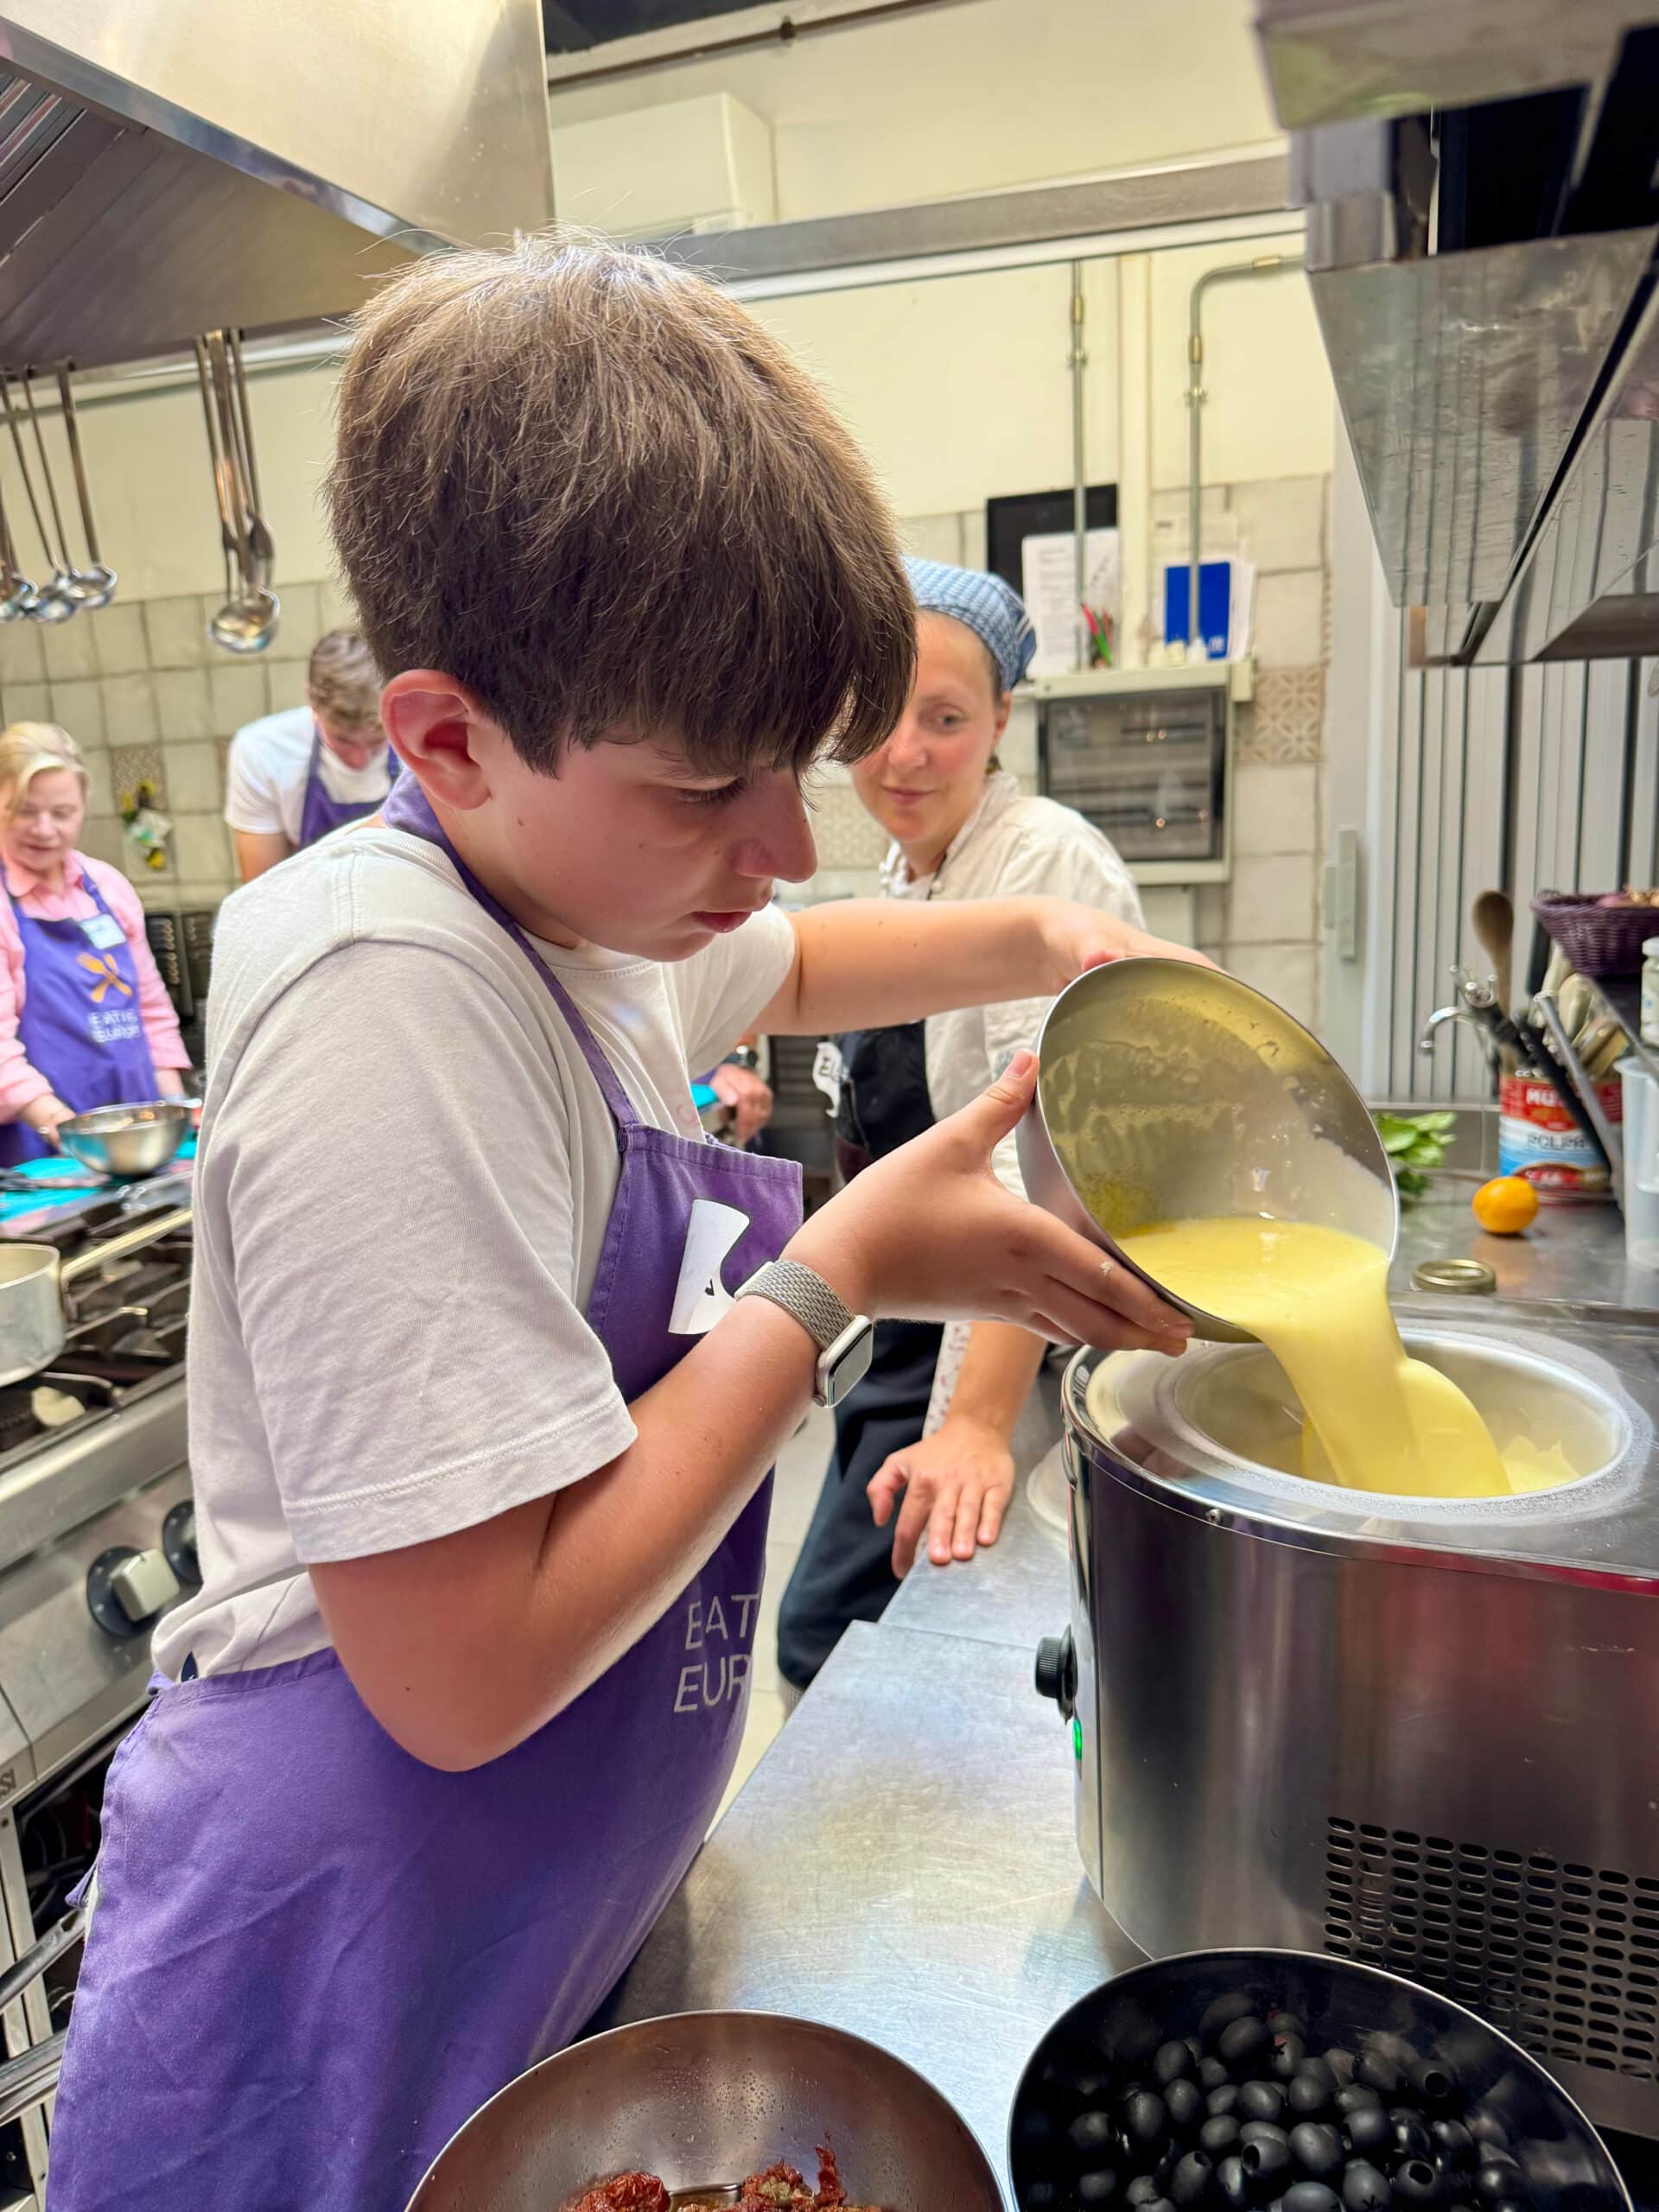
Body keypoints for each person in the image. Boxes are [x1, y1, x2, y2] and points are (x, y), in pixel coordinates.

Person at [45, 237, 1200, 2212]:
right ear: (446, 739)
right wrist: (833, 1278)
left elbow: (797, 945)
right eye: (708, 788)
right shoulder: (392, 994)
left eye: (795, 764)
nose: (783, 842)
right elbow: (464, 1665)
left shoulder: (583, 900)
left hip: (521, 1924)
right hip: (334, 1984)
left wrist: (1039, 932)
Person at [777, 558, 1146, 1698]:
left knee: (844, 1636)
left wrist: (980, 1425)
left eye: (944, 719)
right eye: (879, 719)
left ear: (1001, 720)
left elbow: (1052, 1174)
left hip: (1000, 1333)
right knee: (863, 1638)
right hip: (903, 1323)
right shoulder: (912, 866)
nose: (906, 754)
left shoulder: (1038, 858)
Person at [0, 722, 188, 1162]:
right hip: (40, 1149)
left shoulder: (106, 886)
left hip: (136, 1133)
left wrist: (177, 1115)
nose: (44, 829)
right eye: (25, 811)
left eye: (62, 813)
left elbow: (152, 1013)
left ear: (84, 804)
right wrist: (66, 1130)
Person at [224, 626, 396, 880]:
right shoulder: (262, 752)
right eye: (342, 740)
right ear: (311, 702)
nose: (359, 759)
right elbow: (264, 891)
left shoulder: (422, 747)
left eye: (377, 742)